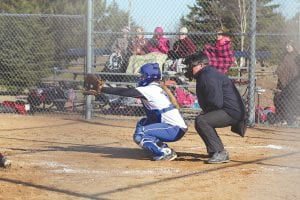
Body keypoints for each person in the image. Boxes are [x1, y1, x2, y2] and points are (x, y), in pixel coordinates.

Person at [97, 63, 188, 161]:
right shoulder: (155, 88)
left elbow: (125, 92)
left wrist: (103, 89)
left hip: (173, 129)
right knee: (143, 123)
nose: (141, 78)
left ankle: (164, 152)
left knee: (140, 134)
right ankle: (159, 147)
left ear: (150, 76)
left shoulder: (150, 89)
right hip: (172, 127)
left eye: (143, 76)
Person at [183, 52, 246, 164]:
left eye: (192, 66)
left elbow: (216, 102)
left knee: (202, 121)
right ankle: (215, 151)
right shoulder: (206, 73)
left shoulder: (207, 76)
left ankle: (220, 152)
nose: (189, 68)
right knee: (202, 120)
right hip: (232, 109)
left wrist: (206, 113)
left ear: (201, 65)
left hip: (232, 111)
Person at [274, 53, 300, 125]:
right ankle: (287, 119)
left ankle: (291, 119)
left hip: (293, 93)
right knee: (280, 98)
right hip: (291, 90)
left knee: (286, 99)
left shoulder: (296, 77)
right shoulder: (296, 77)